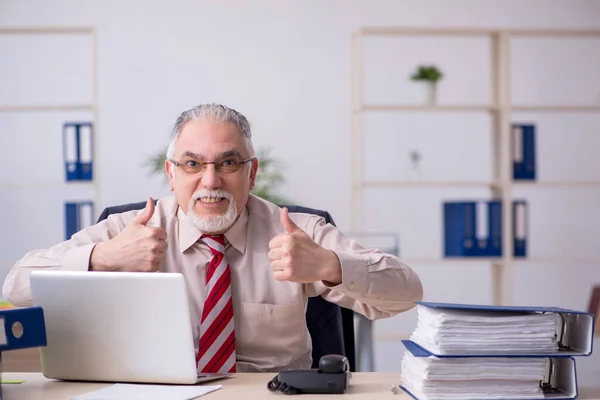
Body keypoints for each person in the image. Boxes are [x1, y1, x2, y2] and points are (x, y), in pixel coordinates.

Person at [3, 103, 423, 373]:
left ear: (251, 172)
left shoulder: (298, 230)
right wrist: (101, 257)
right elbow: (18, 287)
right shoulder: (130, 228)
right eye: (192, 164)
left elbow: (407, 291)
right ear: (171, 174)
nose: (210, 181)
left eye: (228, 163)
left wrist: (330, 267)